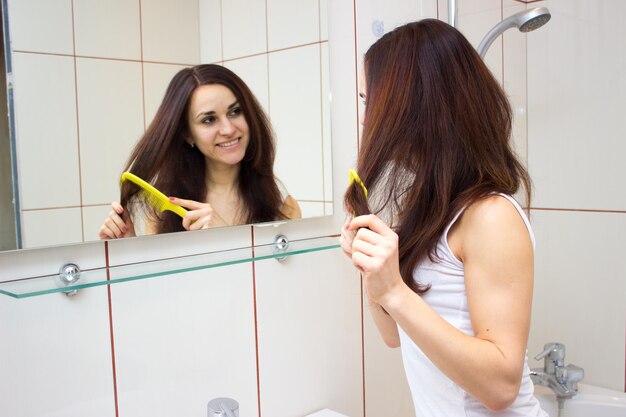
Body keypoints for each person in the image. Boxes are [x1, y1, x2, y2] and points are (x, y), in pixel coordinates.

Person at [341, 19, 547, 417]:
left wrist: (397, 292)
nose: (367, 120)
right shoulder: (431, 207)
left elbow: (501, 387)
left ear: (415, 104)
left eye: (372, 102)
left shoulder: (492, 216)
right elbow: (394, 337)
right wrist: (376, 278)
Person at [99, 64, 301, 239]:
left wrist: (223, 241)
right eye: (208, 120)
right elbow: (162, 283)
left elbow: (291, 282)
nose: (229, 129)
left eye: (235, 111)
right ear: (187, 134)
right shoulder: (164, 211)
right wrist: (127, 249)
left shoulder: (283, 207)